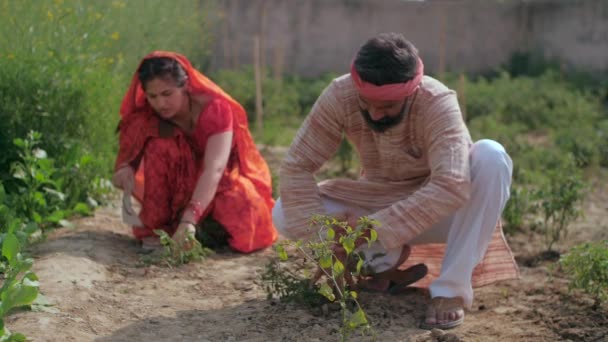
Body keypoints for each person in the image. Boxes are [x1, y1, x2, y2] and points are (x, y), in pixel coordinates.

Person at [272, 33, 519, 329]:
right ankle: (382, 269)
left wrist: (373, 230)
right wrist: (325, 246)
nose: (375, 113)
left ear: (410, 92)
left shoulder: (437, 102)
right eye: (368, 103)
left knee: (491, 156)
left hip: (436, 211)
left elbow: (451, 184)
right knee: (285, 211)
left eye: (387, 107)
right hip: (372, 199)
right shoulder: (341, 94)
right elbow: (297, 166)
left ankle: (450, 292)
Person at [112, 51, 277, 253]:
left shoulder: (216, 110)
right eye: (152, 96)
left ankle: (197, 229)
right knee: (160, 146)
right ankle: (159, 230)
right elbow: (126, 167)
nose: (160, 104)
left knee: (244, 205)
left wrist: (189, 219)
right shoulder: (146, 118)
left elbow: (215, 168)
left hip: (215, 183)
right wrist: (126, 171)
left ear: (185, 86)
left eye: (167, 94)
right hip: (175, 188)